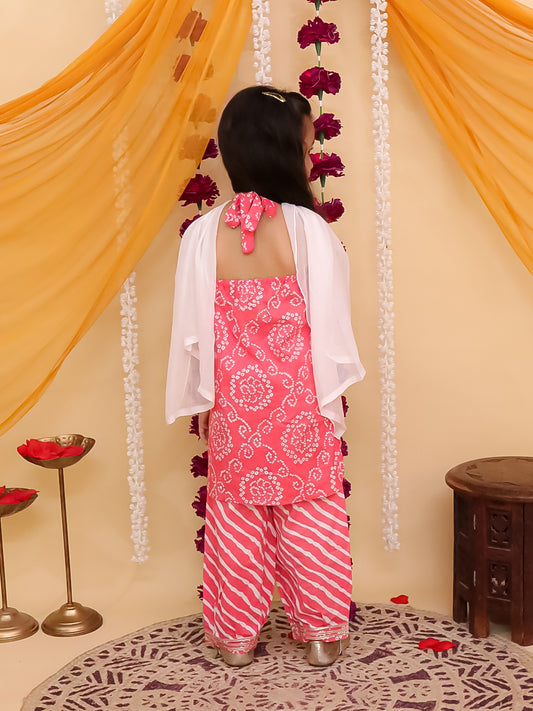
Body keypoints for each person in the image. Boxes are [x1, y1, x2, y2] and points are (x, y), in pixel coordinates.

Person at [166, 85, 365, 668]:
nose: (308, 158)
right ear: (283, 152)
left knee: (236, 517)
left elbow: (191, 331)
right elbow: (332, 323)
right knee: (311, 511)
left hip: (235, 405)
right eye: (305, 147)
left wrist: (208, 396)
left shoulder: (203, 234)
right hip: (301, 402)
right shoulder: (308, 230)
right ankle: (321, 634)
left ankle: (235, 639)